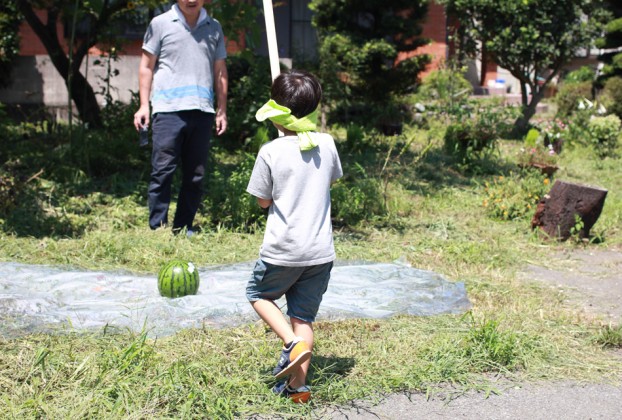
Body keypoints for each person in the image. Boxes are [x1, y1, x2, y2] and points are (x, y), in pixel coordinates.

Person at [245, 70, 343, 403]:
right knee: (303, 316)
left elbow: (262, 201)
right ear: (314, 108)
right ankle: (297, 390)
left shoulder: (270, 152)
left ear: (275, 110)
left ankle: (291, 342)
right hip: (320, 253)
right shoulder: (327, 145)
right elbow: (328, 181)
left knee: (257, 292)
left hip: (283, 250)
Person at [133, 0, 228, 235]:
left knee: (196, 175)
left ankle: (184, 227)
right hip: (167, 110)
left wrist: (222, 109)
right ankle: (158, 228)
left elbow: (220, 71)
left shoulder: (214, 27)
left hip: (202, 110)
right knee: (162, 172)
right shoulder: (160, 24)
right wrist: (144, 105)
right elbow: (146, 66)